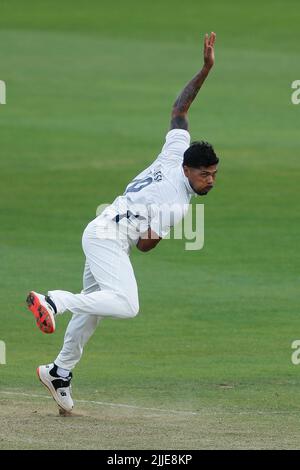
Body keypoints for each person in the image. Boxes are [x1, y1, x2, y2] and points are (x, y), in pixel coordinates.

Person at [26, 32, 219, 413]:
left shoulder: (176, 150)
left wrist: (205, 70)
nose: (210, 180)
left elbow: (180, 109)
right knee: (127, 304)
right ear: (187, 169)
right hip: (108, 238)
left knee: (95, 311)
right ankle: (55, 300)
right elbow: (145, 245)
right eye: (204, 175)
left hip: (101, 228)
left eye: (214, 174)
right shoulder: (177, 204)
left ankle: (59, 371)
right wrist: (159, 235)